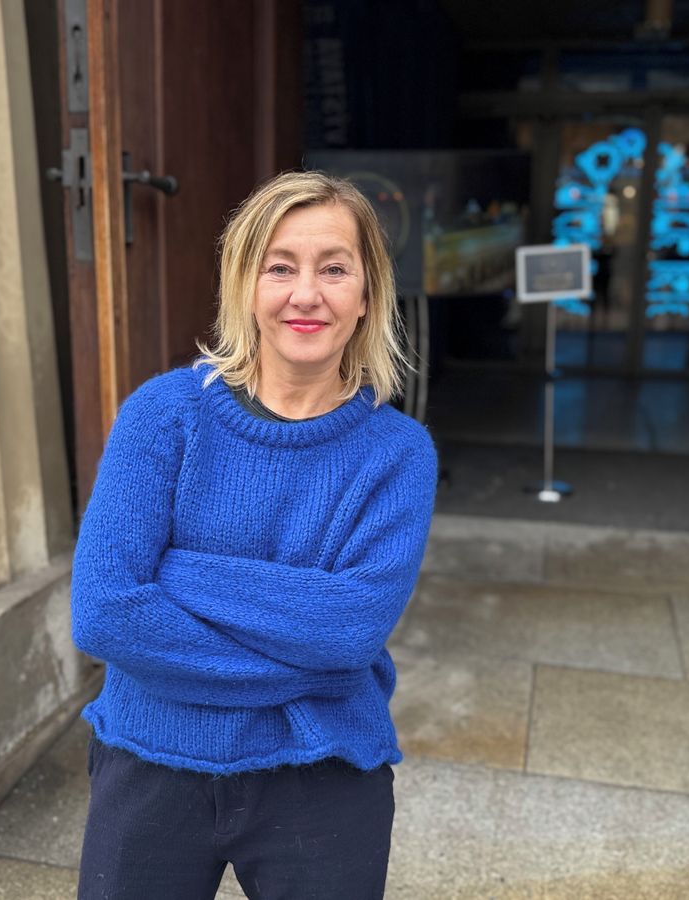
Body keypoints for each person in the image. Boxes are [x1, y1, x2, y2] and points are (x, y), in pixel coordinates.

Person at [71, 170, 439, 899]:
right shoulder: (164, 415)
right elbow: (104, 613)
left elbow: (349, 632)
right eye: (280, 267)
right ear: (245, 285)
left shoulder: (398, 455)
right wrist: (309, 642)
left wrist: (176, 572)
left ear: (367, 294)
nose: (306, 294)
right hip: (151, 755)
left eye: (334, 269)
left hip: (323, 767)